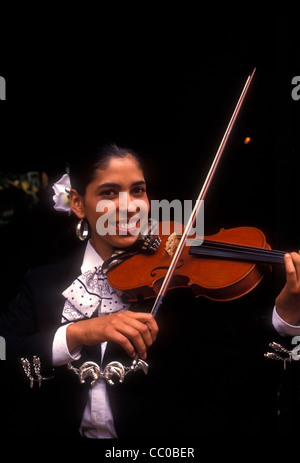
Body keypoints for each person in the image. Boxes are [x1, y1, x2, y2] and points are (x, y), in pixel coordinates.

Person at [0, 142, 295, 439]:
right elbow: (6, 354)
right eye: (109, 193)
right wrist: (79, 332)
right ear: (78, 204)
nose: (129, 206)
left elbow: (240, 364)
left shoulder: (176, 281)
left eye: (138, 191)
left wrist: (285, 315)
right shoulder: (41, 282)